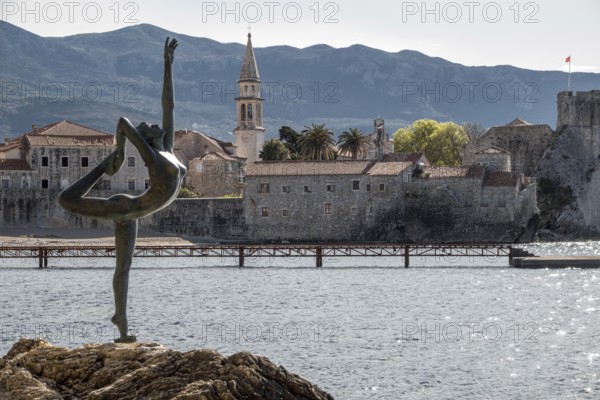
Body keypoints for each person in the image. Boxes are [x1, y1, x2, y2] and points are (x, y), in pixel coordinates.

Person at [59, 37, 186, 343]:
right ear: (146, 137)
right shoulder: (153, 157)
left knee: (123, 268)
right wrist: (117, 154)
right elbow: (123, 122)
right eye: (149, 125)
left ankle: (122, 323)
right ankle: (102, 167)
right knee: (66, 199)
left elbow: (168, 103)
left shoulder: (166, 147)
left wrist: (167, 64)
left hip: (133, 213)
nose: (155, 123)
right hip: (124, 207)